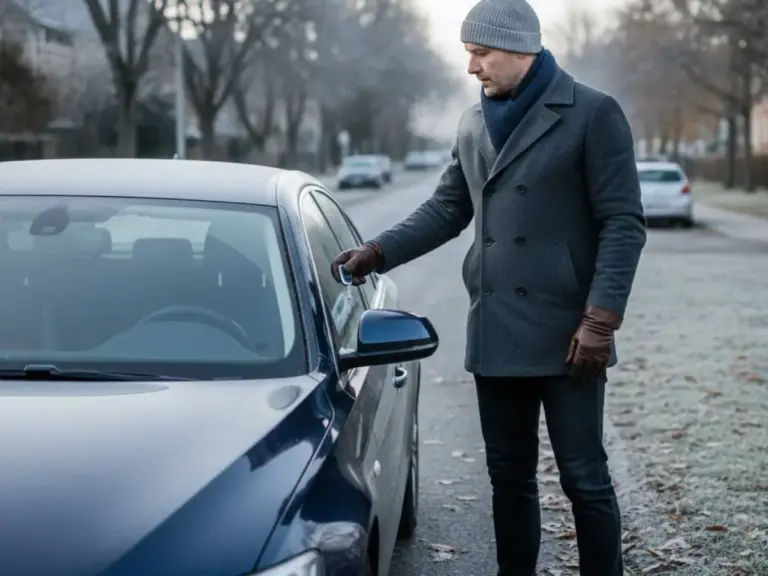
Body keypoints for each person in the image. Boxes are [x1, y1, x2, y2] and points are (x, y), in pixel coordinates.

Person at [330, 0, 647, 574]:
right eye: (468, 53)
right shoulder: (473, 121)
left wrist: (601, 319)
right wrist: (377, 252)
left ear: (521, 48)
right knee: (509, 478)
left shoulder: (592, 113)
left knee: (585, 478)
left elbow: (623, 223)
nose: (471, 67)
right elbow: (447, 209)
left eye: (481, 53)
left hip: (571, 335)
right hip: (496, 328)